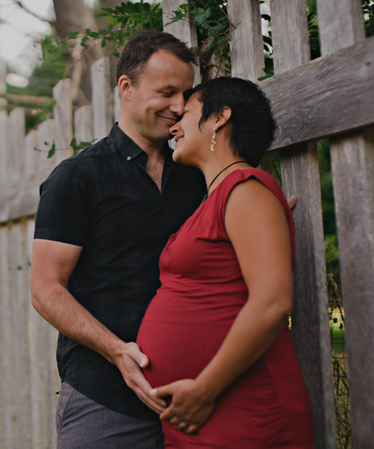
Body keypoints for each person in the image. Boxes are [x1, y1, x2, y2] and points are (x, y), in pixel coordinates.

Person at [30, 30, 205, 448]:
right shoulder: (77, 178)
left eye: (185, 94)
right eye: (166, 92)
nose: (179, 107)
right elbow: (45, 289)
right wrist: (117, 352)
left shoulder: (198, 176)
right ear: (125, 87)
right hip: (105, 397)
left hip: (195, 397)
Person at [136, 77, 315, 448]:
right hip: (197, 410)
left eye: (185, 114)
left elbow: (272, 302)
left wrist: (204, 389)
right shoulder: (225, 195)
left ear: (219, 117)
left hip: (240, 404)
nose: (174, 125)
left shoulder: (246, 188)